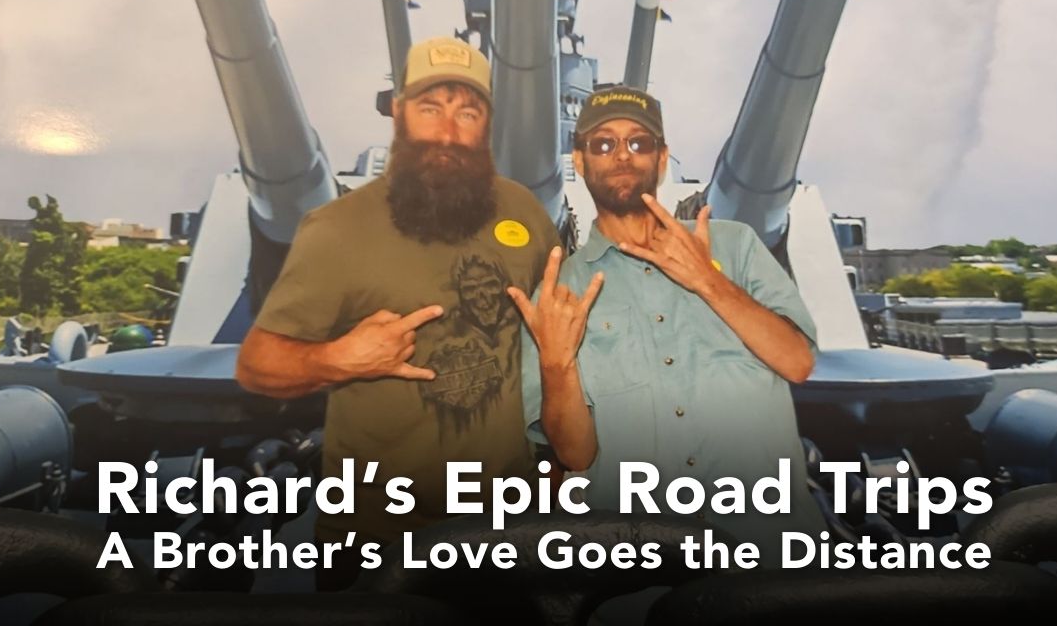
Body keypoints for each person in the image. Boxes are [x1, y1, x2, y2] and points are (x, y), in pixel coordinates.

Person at [236, 36, 561, 588]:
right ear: (399, 113)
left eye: (468, 111)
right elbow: (256, 365)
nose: (449, 131)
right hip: (375, 539)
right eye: (430, 109)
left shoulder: (524, 213)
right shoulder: (336, 229)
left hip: (507, 535)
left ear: (486, 124)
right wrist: (339, 358)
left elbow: (557, 334)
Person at [510, 85, 826, 563]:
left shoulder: (735, 247)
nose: (622, 155)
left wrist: (708, 281)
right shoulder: (559, 292)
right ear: (578, 160)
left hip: (768, 555)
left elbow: (797, 362)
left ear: (661, 159)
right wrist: (556, 365)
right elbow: (574, 455)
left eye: (639, 142)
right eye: (603, 143)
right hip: (640, 567)